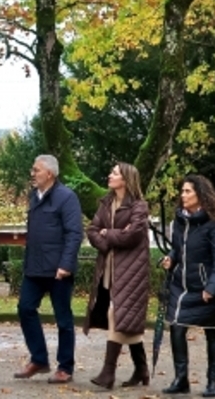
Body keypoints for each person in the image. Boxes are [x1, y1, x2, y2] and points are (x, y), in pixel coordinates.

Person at [161, 174, 215, 397]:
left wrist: (212, 287)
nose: (182, 195)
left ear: (200, 194)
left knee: (212, 332)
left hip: (207, 288)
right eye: (182, 191)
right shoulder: (179, 222)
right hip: (181, 287)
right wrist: (171, 258)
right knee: (176, 327)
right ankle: (181, 379)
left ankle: (214, 383)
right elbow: (177, 248)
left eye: (187, 191)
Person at [13, 154, 82, 384]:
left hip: (58, 270)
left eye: (36, 170)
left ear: (50, 174)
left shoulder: (67, 197)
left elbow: (74, 234)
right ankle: (39, 359)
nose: (32, 174)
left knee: (63, 319)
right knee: (25, 308)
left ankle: (65, 367)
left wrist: (66, 264)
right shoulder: (34, 196)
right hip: (34, 267)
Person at [84, 162, 151, 390]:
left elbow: (132, 235)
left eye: (115, 173)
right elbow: (92, 230)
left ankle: (108, 373)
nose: (110, 175)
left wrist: (108, 233)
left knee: (116, 313)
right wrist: (108, 238)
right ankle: (141, 370)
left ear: (126, 179)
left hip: (131, 272)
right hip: (108, 269)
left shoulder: (140, 206)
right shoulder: (106, 203)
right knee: (125, 319)